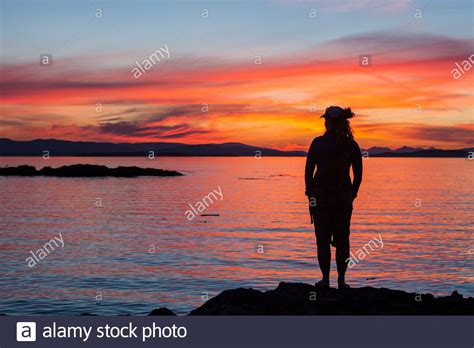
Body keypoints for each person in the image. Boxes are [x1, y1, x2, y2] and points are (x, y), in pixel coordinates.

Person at [305, 106, 363, 290]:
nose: (325, 123)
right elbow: (358, 176)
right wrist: (351, 194)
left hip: (322, 199)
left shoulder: (318, 143)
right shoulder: (351, 145)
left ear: (330, 122)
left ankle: (325, 280)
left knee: (322, 241)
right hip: (341, 199)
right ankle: (341, 281)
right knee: (342, 241)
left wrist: (310, 195)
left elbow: (308, 173)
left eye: (326, 120)